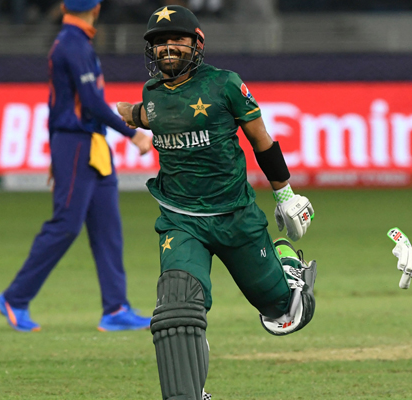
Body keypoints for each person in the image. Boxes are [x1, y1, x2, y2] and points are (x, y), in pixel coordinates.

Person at [116, 5, 317, 399]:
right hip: (180, 220)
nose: (167, 48)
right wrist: (128, 113)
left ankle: (289, 269)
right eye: (159, 42)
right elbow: (147, 114)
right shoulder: (152, 93)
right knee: (175, 309)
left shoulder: (225, 84)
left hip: (235, 216)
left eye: (177, 39)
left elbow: (262, 141)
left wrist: (286, 195)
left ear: (197, 44)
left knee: (285, 312)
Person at [0, 0, 153, 333]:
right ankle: (15, 298)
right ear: (96, 9)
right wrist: (133, 134)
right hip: (77, 143)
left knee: (107, 226)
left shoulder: (70, 42)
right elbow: (92, 103)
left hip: (88, 144)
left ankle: (115, 309)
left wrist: (56, 152)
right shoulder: (73, 44)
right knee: (66, 224)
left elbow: (57, 102)